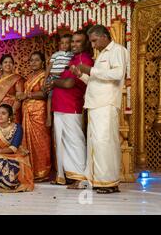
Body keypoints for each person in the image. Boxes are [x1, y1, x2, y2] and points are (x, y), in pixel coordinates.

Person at [71, 25, 129, 194]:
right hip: (95, 104)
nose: (93, 45)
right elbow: (95, 81)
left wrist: (90, 69)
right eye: (92, 42)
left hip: (106, 104)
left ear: (104, 36)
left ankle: (109, 182)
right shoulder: (101, 54)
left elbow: (118, 74)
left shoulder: (117, 50)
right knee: (95, 143)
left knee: (105, 143)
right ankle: (95, 179)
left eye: (95, 41)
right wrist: (80, 75)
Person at [46, 32, 94, 188]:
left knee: (75, 141)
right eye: (72, 41)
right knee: (62, 143)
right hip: (61, 106)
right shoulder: (73, 59)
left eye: (78, 42)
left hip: (71, 106)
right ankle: (66, 176)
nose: (73, 44)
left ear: (86, 44)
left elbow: (69, 84)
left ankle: (81, 178)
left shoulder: (84, 60)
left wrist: (54, 83)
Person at [17, 52, 51, 182]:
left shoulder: (45, 75)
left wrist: (27, 96)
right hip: (27, 111)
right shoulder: (30, 76)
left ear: (43, 62)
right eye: (31, 60)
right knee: (28, 140)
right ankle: (31, 170)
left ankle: (43, 171)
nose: (33, 63)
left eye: (37, 60)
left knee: (41, 141)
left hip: (39, 112)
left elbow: (45, 93)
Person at [44, 34, 74, 127]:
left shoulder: (72, 55)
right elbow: (50, 66)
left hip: (63, 79)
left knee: (62, 96)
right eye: (62, 43)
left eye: (67, 43)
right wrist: (45, 78)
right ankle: (49, 117)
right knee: (50, 97)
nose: (64, 45)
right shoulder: (55, 54)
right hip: (53, 77)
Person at [0, 54, 24, 123]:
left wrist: (11, 112)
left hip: (12, 111)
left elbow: (19, 98)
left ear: (13, 65)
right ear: (0, 66)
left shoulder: (17, 78)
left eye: (10, 62)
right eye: (5, 62)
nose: (8, 64)